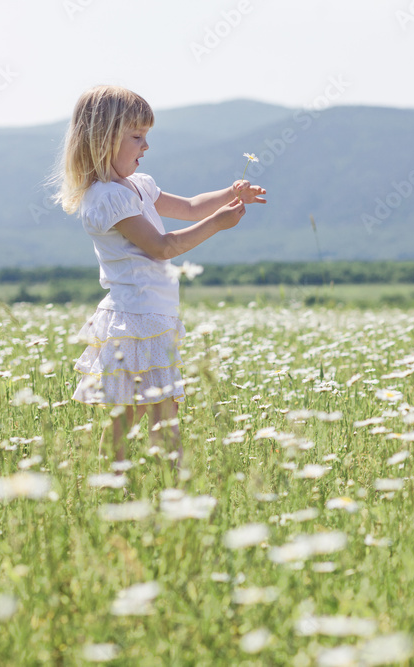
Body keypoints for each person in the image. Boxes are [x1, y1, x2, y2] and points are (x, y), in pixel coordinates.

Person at [53, 85, 266, 461]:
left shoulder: (138, 186)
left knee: (147, 412)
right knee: (145, 414)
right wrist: (217, 223)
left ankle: (132, 484)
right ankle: (154, 486)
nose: (145, 147)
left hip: (151, 317)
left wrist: (230, 193)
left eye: (146, 137)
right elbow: (162, 247)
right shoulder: (108, 197)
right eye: (136, 137)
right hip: (135, 320)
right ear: (103, 140)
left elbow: (188, 206)